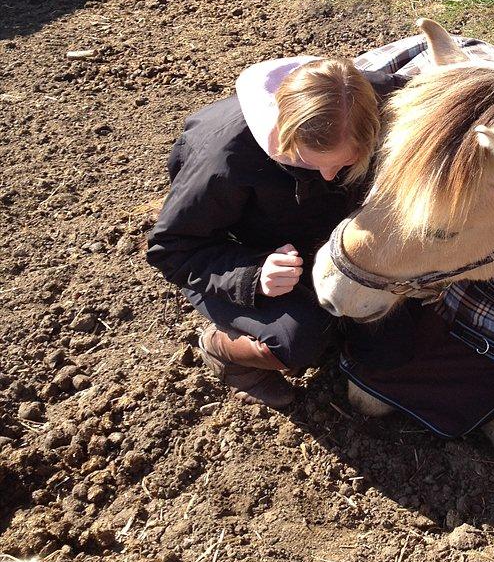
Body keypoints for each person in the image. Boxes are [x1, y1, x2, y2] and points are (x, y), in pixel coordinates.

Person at [147, 54, 403, 408]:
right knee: (301, 338)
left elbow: (443, 95)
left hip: (329, 244)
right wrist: (253, 275)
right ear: (284, 136)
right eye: (309, 162)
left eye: (346, 162)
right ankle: (225, 353)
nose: (329, 176)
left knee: (391, 340)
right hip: (252, 260)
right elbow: (173, 249)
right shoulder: (224, 157)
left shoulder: (367, 99)